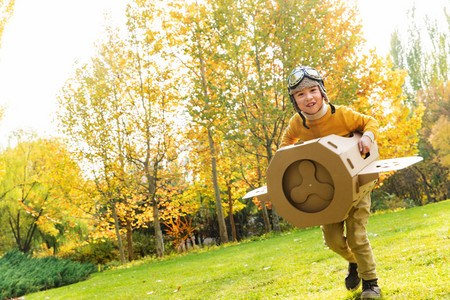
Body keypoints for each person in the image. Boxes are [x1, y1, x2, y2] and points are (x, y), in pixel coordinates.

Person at [280, 65, 381, 299]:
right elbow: (285, 144)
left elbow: (370, 121)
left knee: (357, 236)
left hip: (357, 185)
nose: (308, 97)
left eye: (313, 90)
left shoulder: (341, 114)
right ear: (295, 100)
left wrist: (367, 136)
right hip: (327, 194)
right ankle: (354, 262)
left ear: (322, 92)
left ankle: (370, 284)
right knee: (333, 241)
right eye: (300, 94)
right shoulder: (297, 123)